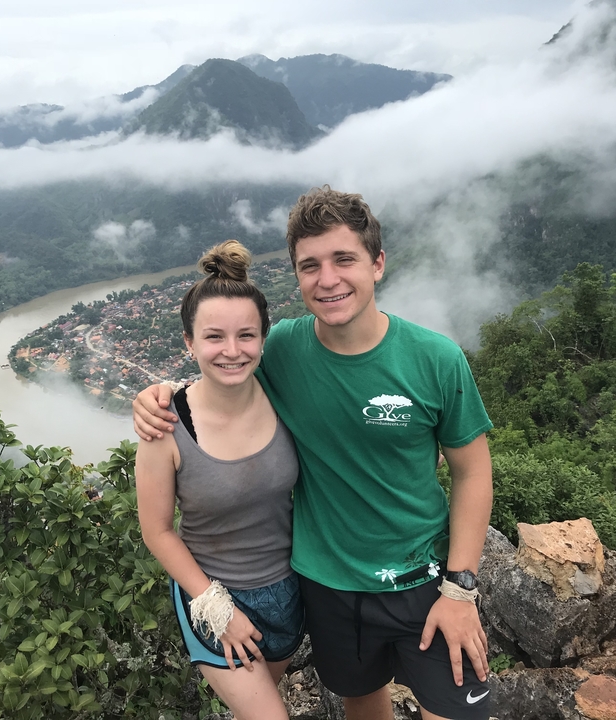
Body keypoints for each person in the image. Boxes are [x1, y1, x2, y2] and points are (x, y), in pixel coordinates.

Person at [134, 187, 494, 720]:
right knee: (362, 703)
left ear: (378, 264)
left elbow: (472, 472)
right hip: (327, 589)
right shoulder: (283, 349)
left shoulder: (435, 359)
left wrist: (461, 587)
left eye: (344, 259)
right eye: (310, 266)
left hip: (423, 579)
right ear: (297, 276)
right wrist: (156, 395)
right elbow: (224, 370)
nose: (327, 279)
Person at [135, 240, 304, 720]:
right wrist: (217, 607)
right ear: (188, 342)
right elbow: (157, 530)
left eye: (247, 336)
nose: (232, 352)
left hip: (292, 589)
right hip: (213, 593)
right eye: (214, 337)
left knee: (255, 705)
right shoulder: (165, 427)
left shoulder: (284, 397)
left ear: (264, 338)